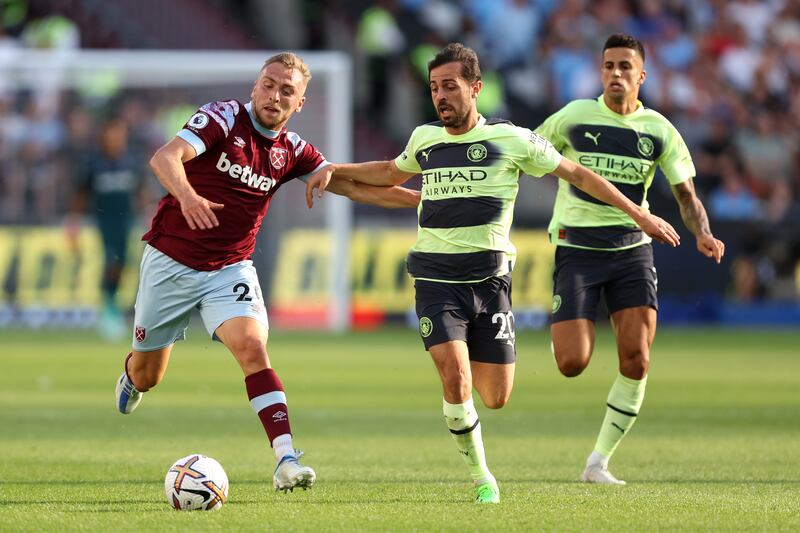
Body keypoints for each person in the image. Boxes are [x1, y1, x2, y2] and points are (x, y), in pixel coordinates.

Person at [315, 42, 680, 504]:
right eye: (434, 88)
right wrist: (330, 170)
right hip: (435, 278)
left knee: (496, 396)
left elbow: (581, 175)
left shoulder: (512, 139)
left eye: (450, 86)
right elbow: (388, 173)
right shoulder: (424, 140)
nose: (440, 96)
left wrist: (640, 215)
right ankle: (482, 477)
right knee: (455, 377)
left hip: (490, 285)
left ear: (476, 88)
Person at [114, 52, 419, 493]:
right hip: (172, 262)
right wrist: (187, 196)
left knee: (254, 348)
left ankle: (286, 460)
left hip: (229, 269)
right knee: (149, 376)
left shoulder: (293, 151)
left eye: (287, 91)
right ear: (255, 86)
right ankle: (131, 375)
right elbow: (166, 157)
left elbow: (350, 185)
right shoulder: (221, 118)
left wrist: (420, 200)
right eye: (269, 84)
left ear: (300, 104)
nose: (275, 95)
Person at [534, 33, 726, 485]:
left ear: (642, 75)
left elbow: (686, 195)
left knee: (637, 359)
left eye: (624, 66)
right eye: (608, 66)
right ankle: (565, 332)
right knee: (572, 362)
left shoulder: (659, 130)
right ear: (600, 72)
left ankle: (598, 462)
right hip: (577, 250)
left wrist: (703, 232)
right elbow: (528, 151)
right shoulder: (574, 117)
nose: (615, 74)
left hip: (630, 253)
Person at [66, 117, 143, 340]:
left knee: (123, 263)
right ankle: (109, 308)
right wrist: (73, 220)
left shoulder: (131, 161)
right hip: (103, 221)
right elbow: (81, 194)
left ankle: (111, 304)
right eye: (111, 134)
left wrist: (149, 213)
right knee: (111, 260)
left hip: (126, 220)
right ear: (104, 136)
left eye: (119, 134)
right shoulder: (93, 163)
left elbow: (141, 190)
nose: (115, 138)